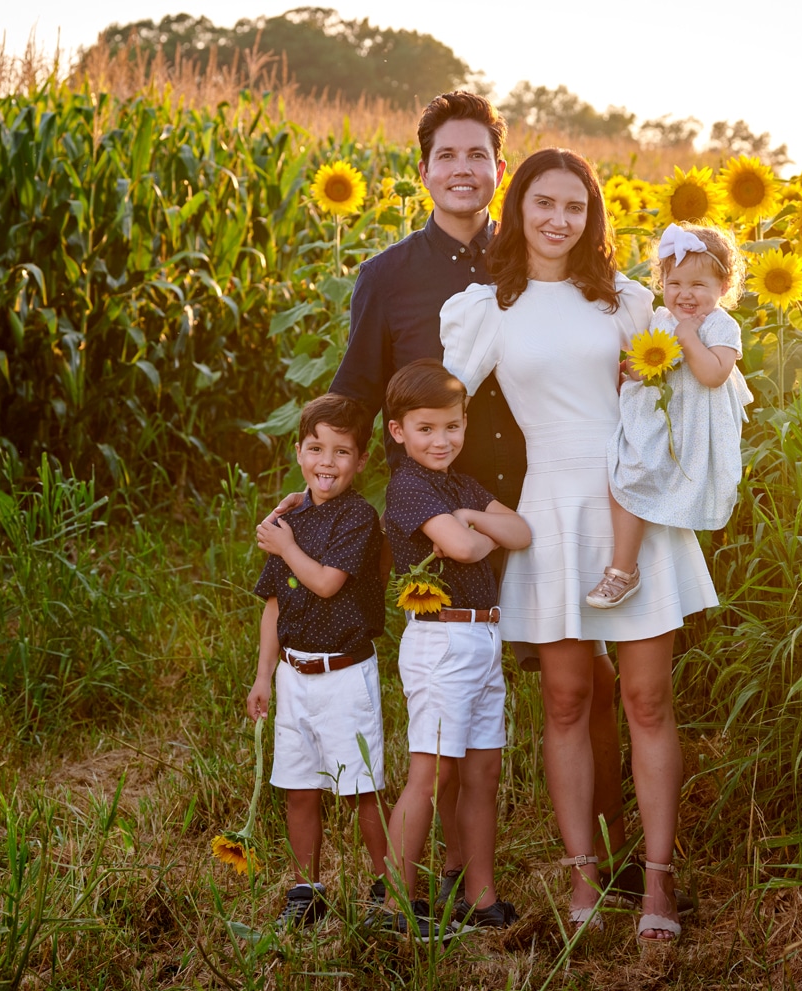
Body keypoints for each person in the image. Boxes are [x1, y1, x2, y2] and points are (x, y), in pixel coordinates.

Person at [317, 90, 632, 902]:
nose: (463, 169)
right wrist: (321, 494)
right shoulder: (386, 277)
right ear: (422, 171)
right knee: (452, 693)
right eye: (446, 155)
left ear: (500, 169)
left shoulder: (531, 257)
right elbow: (355, 395)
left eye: (478, 155)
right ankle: (455, 872)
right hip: (443, 522)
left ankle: (611, 848)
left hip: (541, 502)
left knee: (586, 681)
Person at [441, 148, 719, 941]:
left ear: (592, 215)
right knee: (564, 700)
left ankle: (659, 888)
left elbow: (695, 375)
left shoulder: (627, 300)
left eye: (575, 206)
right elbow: (434, 406)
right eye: (544, 204)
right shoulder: (490, 306)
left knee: (646, 700)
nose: (559, 220)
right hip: (552, 504)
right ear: (518, 206)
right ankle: (582, 886)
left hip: (631, 503)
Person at [379, 359, 531, 938]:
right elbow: (466, 550)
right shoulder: (409, 486)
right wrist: (471, 530)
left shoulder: (459, 486)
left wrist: (469, 516)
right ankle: (396, 904)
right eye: (425, 429)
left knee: (483, 771)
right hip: (441, 639)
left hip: (482, 636)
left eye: (452, 426)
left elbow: (521, 532)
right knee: (433, 771)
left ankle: (479, 896)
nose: (441, 440)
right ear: (398, 431)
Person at [246, 394, 390, 929]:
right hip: (294, 675)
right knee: (299, 788)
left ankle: (387, 885)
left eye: (342, 452)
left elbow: (327, 583)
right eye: (316, 448)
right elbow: (274, 605)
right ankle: (307, 889)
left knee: (360, 789)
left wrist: (285, 547)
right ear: (299, 452)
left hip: (345, 674)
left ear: (360, 461)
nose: (327, 462)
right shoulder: (290, 517)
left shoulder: (358, 517)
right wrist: (264, 676)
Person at [588, 223, 753, 609]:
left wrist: (689, 337)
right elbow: (650, 363)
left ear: (724, 287)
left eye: (699, 285)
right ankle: (623, 570)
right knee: (623, 476)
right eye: (675, 283)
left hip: (695, 426)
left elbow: (713, 375)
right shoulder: (660, 318)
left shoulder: (721, 325)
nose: (685, 294)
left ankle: (641, 571)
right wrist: (629, 369)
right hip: (657, 420)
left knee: (658, 483)